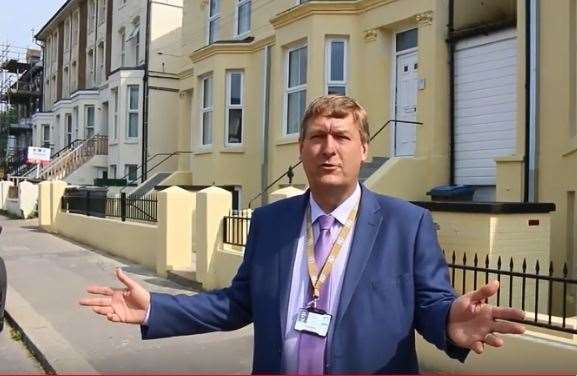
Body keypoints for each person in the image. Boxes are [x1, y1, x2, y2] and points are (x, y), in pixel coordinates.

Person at [80, 96, 525, 373]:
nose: (328, 148)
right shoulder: (270, 222)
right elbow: (237, 305)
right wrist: (154, 309)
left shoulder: (406, 224)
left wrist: (450, 321)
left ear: (364, 149)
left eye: (342, 137)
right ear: (301, 150)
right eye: (316, 137)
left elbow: (429, 305)